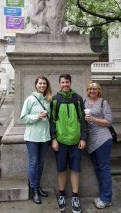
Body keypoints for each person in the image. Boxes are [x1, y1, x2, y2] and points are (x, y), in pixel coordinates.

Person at [50, 74, 87, 213]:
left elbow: (83, 120)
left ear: (71, 83)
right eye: (62, 82)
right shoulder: (55, 99)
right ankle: (61, 195)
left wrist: (83, 138)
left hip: (76, 142)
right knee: (61, 170)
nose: (65, 84)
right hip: (60, 142)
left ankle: (75, 197)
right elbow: (52, 121)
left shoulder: (78, 99)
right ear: (59, 84)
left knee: (75, 170)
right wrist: (53, 139)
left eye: (67, 82)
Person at [20, 76, 52, 205]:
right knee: (33, 162)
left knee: (41, 162)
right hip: (32, 137)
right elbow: (23, 117)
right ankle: (33, 189)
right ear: (36, 85)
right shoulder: (30, 99)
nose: (42, 85)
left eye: (44, 83)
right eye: (40, 83)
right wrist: (37, 116)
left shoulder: (49, 100)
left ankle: (38, 186)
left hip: (45, 137)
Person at [84, 82, 113, 209]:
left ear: (99, 90)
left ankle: (106, 198)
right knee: (98, 169)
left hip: (103, 139)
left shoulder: (103, 103)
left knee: (104, 168)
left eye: (94, 88)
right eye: (90, 88)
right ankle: (103, 196)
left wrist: (94, 119)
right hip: (91, 141)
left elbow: (108, 122)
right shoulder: (84, 102)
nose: (92, 90)